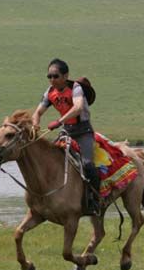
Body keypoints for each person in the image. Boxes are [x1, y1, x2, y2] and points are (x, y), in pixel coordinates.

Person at [32, 58, 100, 215]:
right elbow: (37, 112)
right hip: (67, 132)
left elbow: (78, 108)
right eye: (49, 76)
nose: (52, 80)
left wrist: (59, 121)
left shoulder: (75, 88)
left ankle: (95, 201)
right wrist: (35, 125)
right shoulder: (49, 92)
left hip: (83, 132)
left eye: (55, 76)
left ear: (65, 75)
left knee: (88, 164)